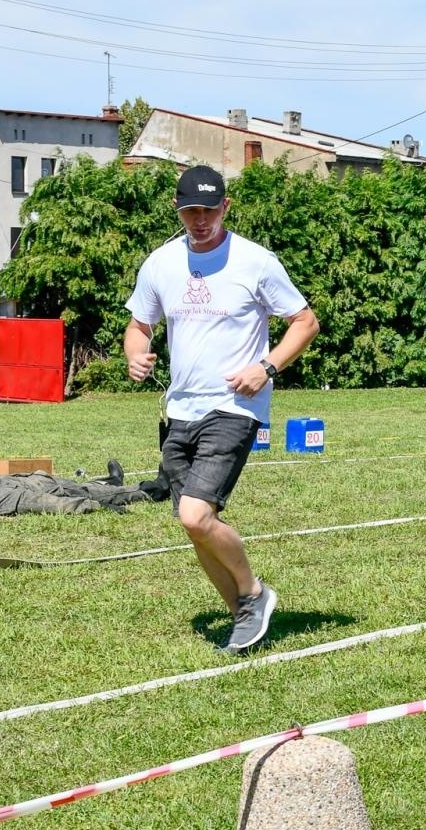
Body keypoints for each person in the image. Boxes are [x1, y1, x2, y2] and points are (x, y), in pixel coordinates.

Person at [123, 166, 319, 655]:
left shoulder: (255, 261)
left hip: (234, 406)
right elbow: (139, 325)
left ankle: (253, 592)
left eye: (210, 209)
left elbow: (305, 321)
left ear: (226, 208)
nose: (201, 219)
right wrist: (134, 353)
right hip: (179, 411)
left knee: (194, 515)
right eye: (191, 209)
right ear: (178, 209)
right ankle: (243, 617)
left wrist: (266, 368)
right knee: (198, 530)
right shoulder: (161, 263)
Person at [0, 462, 163, 518]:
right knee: (104, 494)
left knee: (93, 486)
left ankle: (112, 481)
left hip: (48, 480)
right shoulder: (14, 501)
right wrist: (98, 506)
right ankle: (153, 490)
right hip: (62, 491)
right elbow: (53, 504)